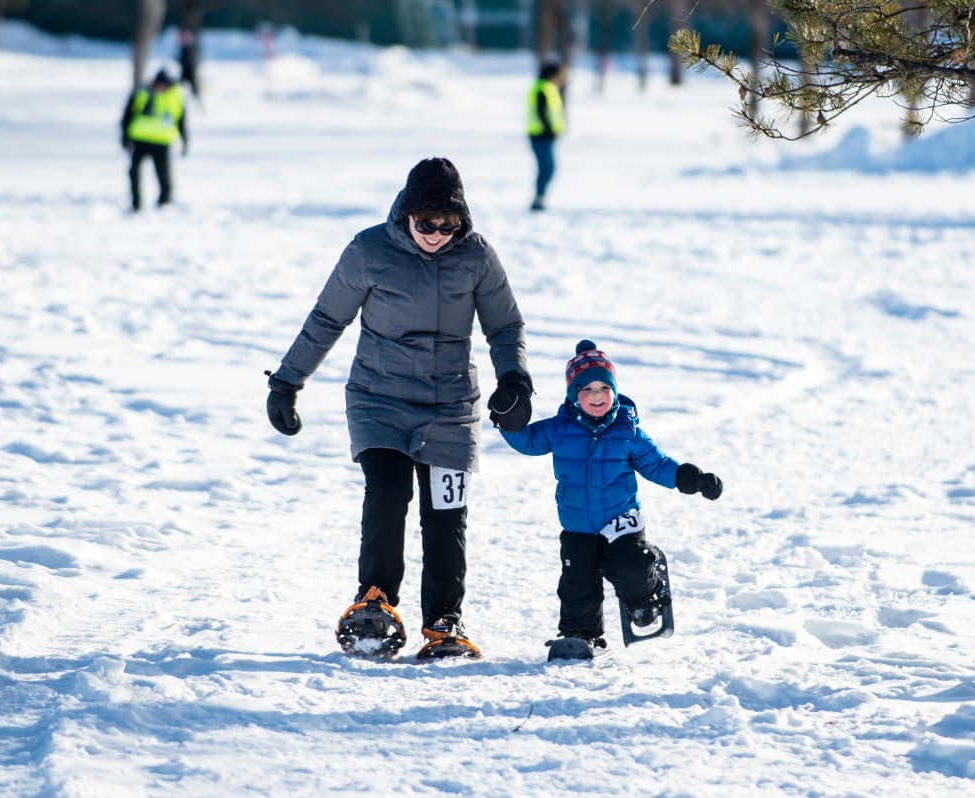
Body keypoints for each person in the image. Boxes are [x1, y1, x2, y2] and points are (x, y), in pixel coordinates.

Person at [265, 157, 534, 659]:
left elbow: (505, 327)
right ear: (405, 214)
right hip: (379, 399)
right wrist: (287, 381)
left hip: (450, 405)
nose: (436, 234)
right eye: (426, 223)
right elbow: (327, 319)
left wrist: (515, 380)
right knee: (387, 495)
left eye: (448, 225)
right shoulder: (369, 251)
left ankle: (443, 621)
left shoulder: (476, 257)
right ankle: (375, 602)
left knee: (446, 515)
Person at [498, 340, 723, 653]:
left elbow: (656, 463)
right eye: (586, 389)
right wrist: (508, 420)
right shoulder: (560, 429)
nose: (596, 396)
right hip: (578, 525)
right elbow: (528, 441)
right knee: (578, 585)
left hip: (622, 521)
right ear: (573, 394)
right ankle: (580, 632)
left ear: (615, 391)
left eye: (604, 388)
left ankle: (647, 596)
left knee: (631, 566)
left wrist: (692, 479)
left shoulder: (626, 429)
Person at [120, 68, 188, 212]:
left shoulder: (176, 96)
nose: (161, 88)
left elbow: (182, 120)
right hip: (140, 139)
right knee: (134, 172)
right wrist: (125, 137)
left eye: (164, 86)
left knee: (163, 174)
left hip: (162, 141)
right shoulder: (142, 93)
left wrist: (185, 141)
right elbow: (127, 116)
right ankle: (136, 203)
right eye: (159, 85)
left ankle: (164, 202)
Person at [527, 61, 566, 212]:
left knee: (547, 167)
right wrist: (549, 129)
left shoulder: (548, 88)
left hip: (544, 135)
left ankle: (540, 196)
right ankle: (539, 197)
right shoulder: (543, 88)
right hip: (541, 135)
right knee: (547, 167)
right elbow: (542, 111)